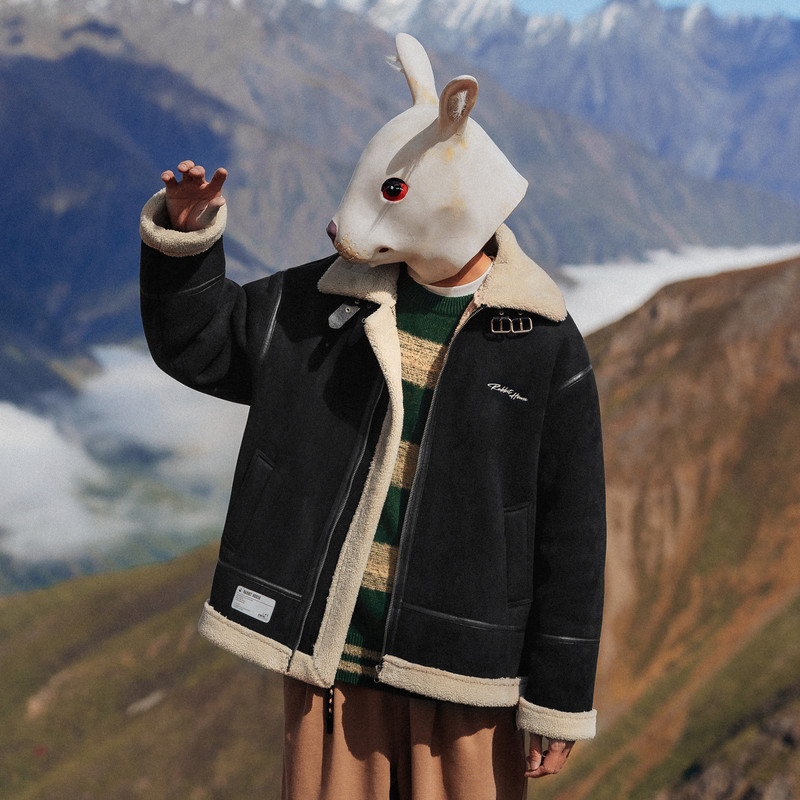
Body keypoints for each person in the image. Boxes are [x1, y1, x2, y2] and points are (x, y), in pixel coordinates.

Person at [139, 34, 605, 800]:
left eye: (389, 191)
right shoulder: (323, 303)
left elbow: (574, 531)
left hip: (464, 680)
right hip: (331, 668)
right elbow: (202, 344)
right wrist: (186, 239)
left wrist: (558, 699)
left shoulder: (541, 343)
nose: (340, 225)